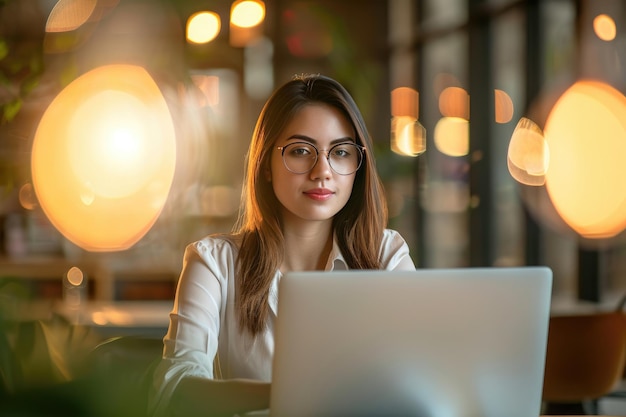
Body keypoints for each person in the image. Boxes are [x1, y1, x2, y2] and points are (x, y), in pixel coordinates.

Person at [148, 73, 416, 417]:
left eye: (342, 152)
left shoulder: (387, 256)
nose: (323, 171)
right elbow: (176, 388)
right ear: (267, 166)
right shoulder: (213, 263)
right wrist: (289, 394)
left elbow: (413, 381)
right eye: (301, 151)